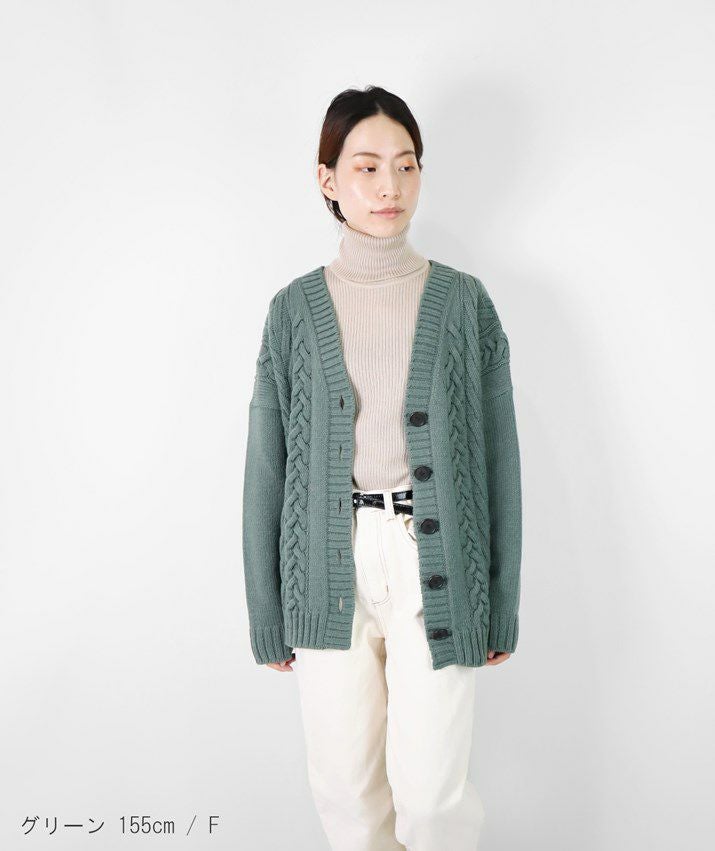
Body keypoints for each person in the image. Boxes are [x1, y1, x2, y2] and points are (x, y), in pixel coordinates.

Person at [242, 85, 522, 851]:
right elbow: (266, 462)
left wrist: (500, 596)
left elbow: (499, 457)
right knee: (347, 794)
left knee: (430, 799)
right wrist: (266, 607)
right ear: (327, 179)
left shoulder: (463, 303)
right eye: (365, 167)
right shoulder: (292, 311)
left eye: (405, 164)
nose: (388, 185)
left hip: (439, 561)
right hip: (325, 563)